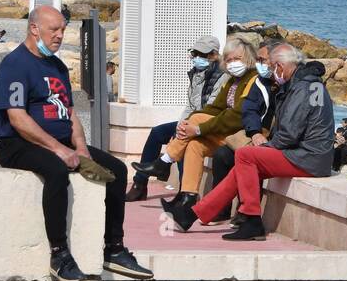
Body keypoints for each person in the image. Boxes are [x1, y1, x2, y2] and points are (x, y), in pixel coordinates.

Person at [0, 4, 152, 281]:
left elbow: (70, 112)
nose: (59, 35)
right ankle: (59, 253)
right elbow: (17, 118)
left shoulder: (58, 66)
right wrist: (58, 148)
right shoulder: (15, 65)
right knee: (55, 171)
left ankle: (113, 248)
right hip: (17, 143)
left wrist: (79, 147)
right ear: (34, 29)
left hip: (62, 140)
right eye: (53, 29)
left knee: (117, 171)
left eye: (63, 30)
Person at [164, 42, 335, 241]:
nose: (270, 72)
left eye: (272, 67)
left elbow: (289, 133)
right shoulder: (308, 83)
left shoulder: (302, 88)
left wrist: (264, 147)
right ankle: (192, 214)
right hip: (312, 154)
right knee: (243, 167)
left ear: (280, 66)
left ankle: (252, 219)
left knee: (245, 155)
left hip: (308, 157)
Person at [133, 37, 261, 221]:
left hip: (243, 135)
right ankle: (187, 200)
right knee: (194, 145)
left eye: (237, 59)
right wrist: (189, 124)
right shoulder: (231, 80)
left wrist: (198, 127)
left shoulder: (252, 80)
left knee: (197, 121)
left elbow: (237, 116)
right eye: (230, 59)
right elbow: (214, 108)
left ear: (248, 58)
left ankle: (164, 162)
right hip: (225, 133)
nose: (233, 63)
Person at [123, 36, 225, 201]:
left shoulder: (221, 76)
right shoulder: (197, 73)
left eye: (202, 54)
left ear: (214, 55)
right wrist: (180, 125)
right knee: (157, 133)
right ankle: (139, 184)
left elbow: (211, 109)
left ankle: (185, 194)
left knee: (185, 139)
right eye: (195, 53)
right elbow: (190, 105)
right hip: (192, 119)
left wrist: (185, 127)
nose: (197, 57)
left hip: (208, 124)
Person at [204, 41, 279, 222]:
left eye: (262, 59)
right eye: (258, 59)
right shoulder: (260, 82)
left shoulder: (286, 84)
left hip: (276, 138)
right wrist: (254, 132)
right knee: (223, 155)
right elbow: (249, 110)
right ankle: (221, 209)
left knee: (252, 158)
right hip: (257, 133)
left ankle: (245, 212)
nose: (259, 63)